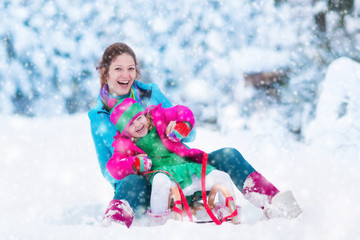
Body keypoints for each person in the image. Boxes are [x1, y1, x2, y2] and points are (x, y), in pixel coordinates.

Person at [88, 42, 302, 228]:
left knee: (228, 155)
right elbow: (108, 170)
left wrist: (179, 129)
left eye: (130, 68)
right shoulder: (99, 116)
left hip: (181, 166)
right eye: (118, 69)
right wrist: (135, 166)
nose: (125, 75)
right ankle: (113, 226)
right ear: (106, 72)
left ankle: (276, 203)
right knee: (129, 183)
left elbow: (187, 128)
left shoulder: (149, 95)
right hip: (146, 182)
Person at [106, 98, 240, 226]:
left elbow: (182, 111)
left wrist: (183, 125)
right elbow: (113, 167)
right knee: (160, 181)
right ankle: (159, 221)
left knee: (222, 177)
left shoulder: (159, 118)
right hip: (164, 176)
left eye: (139, 118)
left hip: (187, 169)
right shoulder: (125, 144)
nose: (138, 125)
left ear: (145, 115)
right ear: (125, 131)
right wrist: (135, 163)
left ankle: (228, 212)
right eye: (130, 124)